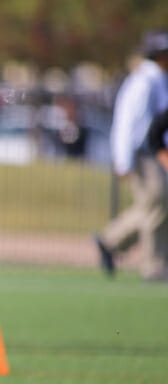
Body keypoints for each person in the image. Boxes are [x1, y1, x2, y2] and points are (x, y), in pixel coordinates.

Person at [96, 29, 168, 281]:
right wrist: (123, 159)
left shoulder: (158, 78)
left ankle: (110, 240)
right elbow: (128, 121)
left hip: (154, 153)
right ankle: (154, 267)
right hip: (144, 155)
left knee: (154, 206)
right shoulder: (145, 81)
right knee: (158, 205)